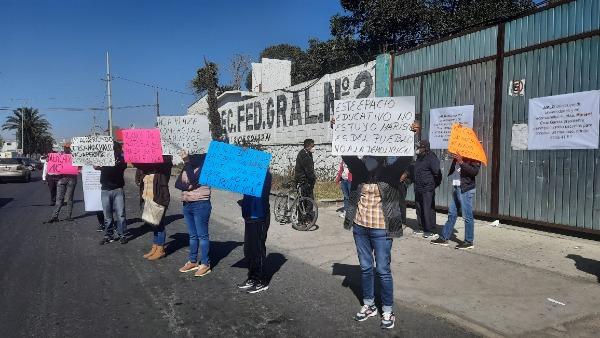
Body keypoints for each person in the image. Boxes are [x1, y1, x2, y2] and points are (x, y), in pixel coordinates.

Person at [431, 154, 481, 249]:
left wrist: (461, 162)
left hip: (466, 189)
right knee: (452, 213)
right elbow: (455, 169)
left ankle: (469, 241)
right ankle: (444, 238)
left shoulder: (474, 154)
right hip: (457, 187)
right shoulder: (459, 153)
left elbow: (474, 172)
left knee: (467, 216)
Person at [175, 151, 212, 277]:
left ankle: (205, 264)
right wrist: (187, 165)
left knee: (202, 236)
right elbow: (178, 183)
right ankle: (192, 261)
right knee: (192, 236)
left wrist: (187, 162)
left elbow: (193, 180)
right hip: (187, 203)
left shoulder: (205, 166)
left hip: (201, 204)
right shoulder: (189, 165)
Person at [237, 170, 272, 294]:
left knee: (258, 250)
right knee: (249, 250)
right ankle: (252, 277)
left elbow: (261, 192)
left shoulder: (265, 175)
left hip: (259, 217)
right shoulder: (249, 175)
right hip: (249, 216)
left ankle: (262, 281)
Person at [135, 156, 173, 261]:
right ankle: (155, 247)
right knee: (154, 224)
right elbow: (137, 167)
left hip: (160, 199)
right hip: (148, 199)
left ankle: (160, 250)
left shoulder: (162, 169)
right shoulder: (145, 169)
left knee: (159, 225)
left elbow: (167, 162)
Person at [407, 139, 441, 238]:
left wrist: (432, 184)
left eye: (419, 147)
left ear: (425, 148)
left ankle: (430, 229)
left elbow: (437, 172)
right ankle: (421, 227)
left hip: (427, 188)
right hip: (418, 187)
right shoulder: (419, 158)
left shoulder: (431, 157)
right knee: (419, 207)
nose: (417, 149)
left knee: (428, 208)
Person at [97, 142, 129, 245]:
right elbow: (96, 167)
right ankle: (108, 235)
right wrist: (97, 164)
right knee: (107, 216)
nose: (114, 151)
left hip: (118, 189)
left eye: (116, 149)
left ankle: (122, 234)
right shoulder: (103, 159)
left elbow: (123, 166)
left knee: (121, 214)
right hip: (105, 189)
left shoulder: (122, 160)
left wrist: (114, 160)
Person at [46, 147, 78, 223]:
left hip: (67, 180)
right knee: (65, 199)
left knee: (64, 199)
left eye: (67, 148)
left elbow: (79, 167)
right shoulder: (62, 156)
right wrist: (49, 160)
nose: (66, 149)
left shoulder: (72, 157)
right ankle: (60, 216)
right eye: (66, 148)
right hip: (64, 180)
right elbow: (50, 162)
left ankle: (60, 216)